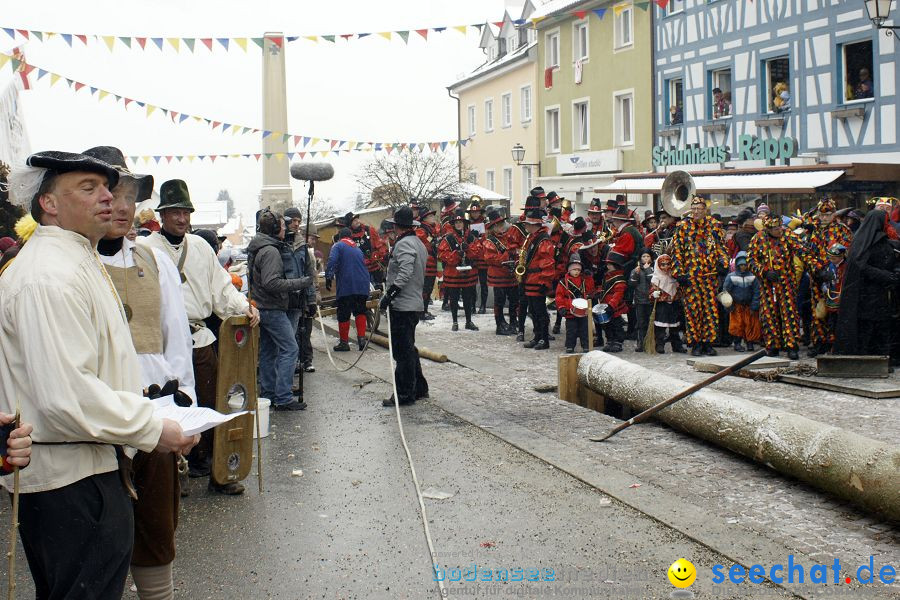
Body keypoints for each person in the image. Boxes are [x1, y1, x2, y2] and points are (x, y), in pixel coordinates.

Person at [1, 151, 197, 598]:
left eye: (107, 188)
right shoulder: (48, 277)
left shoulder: (75, 260)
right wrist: (151, 427)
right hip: (68, 478)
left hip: (95, 463)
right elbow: (66, 397)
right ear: (49, 203)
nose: (108, 198)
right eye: (88, 188)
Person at [85, 145, 195, 598]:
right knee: (98, 538)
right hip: (96, 422)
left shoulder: (155, 261)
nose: (125, 206)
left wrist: (187, 408)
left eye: (131, 195)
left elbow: (177, 339)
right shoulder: (76, 264)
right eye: (115, 193)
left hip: (156, 416)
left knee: (155, 527)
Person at [139, 179, 258, 495]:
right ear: (163, 215)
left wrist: (244, 307)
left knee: (208, 405)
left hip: (199, 339)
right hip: (161, 344)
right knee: (165, 409)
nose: (181, 218)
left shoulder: (202, 248)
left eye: (185, 212)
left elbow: (221, 287)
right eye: (174, 212)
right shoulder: (146, 249)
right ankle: (172, 479)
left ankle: (217, 471)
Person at [248, 210, 312, 411]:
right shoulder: (271, 251)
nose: (286, 229)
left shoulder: (261, 247)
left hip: (262, 306)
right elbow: (271, 282)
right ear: (275, 229)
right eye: (283, 226)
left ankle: (268, 394)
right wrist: (300, 283)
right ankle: (283, 397)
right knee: (290, 348)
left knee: (268, 351)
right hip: (272, 307)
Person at [379, 206, 428, 407]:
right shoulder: (418, 243)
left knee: (402, 352)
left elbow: (405, 272)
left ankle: (405, 394)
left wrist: (389, 295)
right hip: (413, 302)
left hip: (403, 304)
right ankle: (419, 388)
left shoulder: (404, 244)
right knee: (409, 348)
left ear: (396, 226)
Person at [834, 210, 899, 356]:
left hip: (882, 294)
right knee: (867, 328)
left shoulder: (881, 239)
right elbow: (860, 265)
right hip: (866, 295)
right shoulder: (864, 240)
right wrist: (885, 275)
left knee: (881, 328)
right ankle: (865, 358)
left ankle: (882, 358)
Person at [671, 196, 729, 356]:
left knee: (710, 310)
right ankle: (695, 343)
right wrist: (679, 274)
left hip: (709, 277)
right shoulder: (683, 227)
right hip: (691, 278)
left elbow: (722, 248)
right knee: (693, 311)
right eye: (694, 209)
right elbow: (677, 251)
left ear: (705, 210)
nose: (696, 212)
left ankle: (708, 343)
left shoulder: (714, 226)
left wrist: (723, 263)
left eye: (699, 209)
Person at [748, 215, 808, 359]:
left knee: (789, 313)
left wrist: (815, 264)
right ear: (768, 229)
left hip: (786, 281)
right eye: (775, 228)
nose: (779, 230)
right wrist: (764, 271)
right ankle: (772, 345)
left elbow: (802, 251)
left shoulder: (788, 235)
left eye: (780, 227)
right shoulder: (758, 238)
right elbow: (751, 260)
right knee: (769, 314)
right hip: (767, 283)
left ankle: (791, 345)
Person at [805, 198, 854, 357]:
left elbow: (846, 252)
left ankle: (835, 342)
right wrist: (817, 269)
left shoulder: (842, 230)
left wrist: (831, 267)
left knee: (836, 310)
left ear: (834, 214)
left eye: (828, 214)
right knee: (818, 310)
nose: (824, 218)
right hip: (817, 277)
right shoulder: (813, 230)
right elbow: (807, 253)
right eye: (822, 214)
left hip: (837, 276)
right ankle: (820, 341)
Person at [325, 227, 371, 351]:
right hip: (363, 285)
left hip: (347, 285)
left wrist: (328, 277)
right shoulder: (357, 248)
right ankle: (362, 341)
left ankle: (344, 343)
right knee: (360, 310)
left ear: (340, 237)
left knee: (343, 313)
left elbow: (332, 261)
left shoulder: (338, 246)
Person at [437, 209, 482, 331]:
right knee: (454, 298)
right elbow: (441, 255)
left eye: (460, 222)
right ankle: (455, 322)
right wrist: (456, 254)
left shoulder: (472, 238)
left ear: (465, 224)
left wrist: (468, 250)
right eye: (456, 223)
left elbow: (478, 253)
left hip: (468, 273)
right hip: (453, 273)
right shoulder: (448, 239)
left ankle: (468, 321)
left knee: (468, 298)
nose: (458, 225)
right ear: (453, 225)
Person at [518, 207, 556, 349]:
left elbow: (547, 263)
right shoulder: (532, 238)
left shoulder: (543, 240)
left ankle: (544, 339)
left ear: (534, 225)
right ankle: (537, 336)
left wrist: (544, 282)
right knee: (533, 311)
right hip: (530, 280)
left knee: (540, 312)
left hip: (537, 280)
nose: (526, 226)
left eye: (527, 223)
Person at [481, 208, 523, 336]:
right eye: (498, 225)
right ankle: (500, 324)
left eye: (501, 224)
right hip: (498, 276)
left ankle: (513, 322)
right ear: (492, 227)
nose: (501, 227)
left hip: (511, 275)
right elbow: (491, 259)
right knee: (499, 301)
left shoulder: (509, 237)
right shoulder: (489, 242)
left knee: (514, 300)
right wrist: (507, 254)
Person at [723, 251, 761, 352]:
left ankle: (750, 342)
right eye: (741, 265)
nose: (743, 267)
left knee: (750, 324)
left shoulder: (753, 277)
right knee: (737, 325)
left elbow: (757, 292)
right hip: (736, 305)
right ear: (737, 265)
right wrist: (728, 305)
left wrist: (754, 306)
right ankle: (737, 343)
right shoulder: (731, 277)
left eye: (745, 265)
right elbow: (726, 292)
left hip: (749, 305)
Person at [556, 253, 595, 353]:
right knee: (571, 330)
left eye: (578, 270)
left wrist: (589, 277)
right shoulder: (563, 282)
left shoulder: (583, 279)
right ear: (569, 269)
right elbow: (559, 296)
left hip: (583, 310)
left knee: (584, 329)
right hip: (570, 310)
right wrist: (561, 307)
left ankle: (585, 345)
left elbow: (590, 289)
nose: (577, 272)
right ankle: (570, 346)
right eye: (574, 269)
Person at [649, 254, 686, 354]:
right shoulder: (656, 278)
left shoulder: (674, 276)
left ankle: (677, 346)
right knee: (660, 327)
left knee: (675, 327)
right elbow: (650, 295)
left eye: (668, 264)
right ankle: (659, 345)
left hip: (674, 304)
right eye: (663, 265)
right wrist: (653, 294)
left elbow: (680, 291)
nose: (666, 267)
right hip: (662, 306)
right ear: (658, 265)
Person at [346, 211, 388, 288]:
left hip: (375, 267)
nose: (357, 221)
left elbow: (380, 245)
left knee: (380, 288)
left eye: (357, 219)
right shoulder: (349, 237)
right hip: (360, 270)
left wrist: (379, 255)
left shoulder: (369, 230)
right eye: (354, 220)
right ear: (350, 224)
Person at [414, 207, 440, 320]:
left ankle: (424, 310)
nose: (433, 218)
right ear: (424, 218)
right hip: (425, 263)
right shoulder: (421, 229)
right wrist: (434, 243)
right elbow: (424, 243)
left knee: (428, 289)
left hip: (432, 262)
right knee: (424, 289)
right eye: (430, 216)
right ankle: (421, 312)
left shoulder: (431, 229)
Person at [467, 198, 490, 313]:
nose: (475, 214)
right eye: (473, 212)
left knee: (483, 283)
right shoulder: (468, 225)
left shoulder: (486, 224)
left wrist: (481, 237)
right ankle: (472, 305)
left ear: (480, 212)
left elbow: (488, 239)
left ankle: (483, 305)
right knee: (471, 283)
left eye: (476, 212)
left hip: (483, 258)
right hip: (472, 257)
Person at [629, 250, 654, 351]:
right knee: (641, 322)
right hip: (640, 300)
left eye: (648, 256)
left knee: (651, 322)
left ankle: (650, 342)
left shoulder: (653, 269)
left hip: (651, 300)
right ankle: (641, 342)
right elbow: (631, 284)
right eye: (643, 256)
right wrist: (635, 274)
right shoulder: (636, 269)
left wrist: (648, 270)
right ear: (640, 258)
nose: (646, 258)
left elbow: (653, 281)